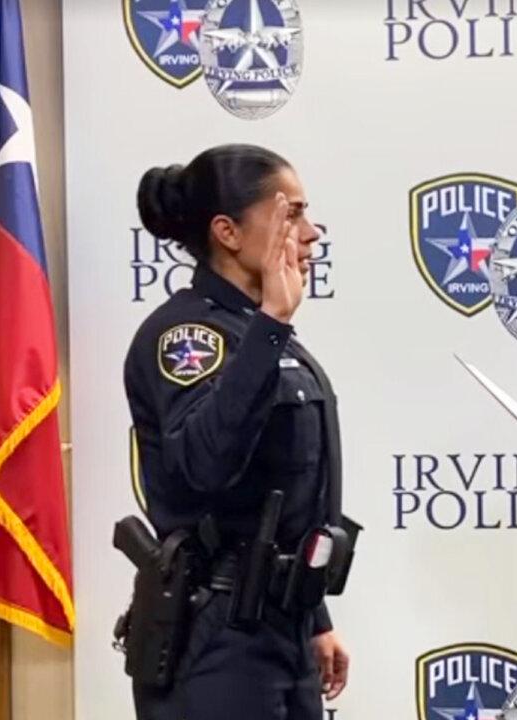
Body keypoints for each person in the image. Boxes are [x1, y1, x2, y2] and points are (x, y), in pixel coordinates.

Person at [120, 143, 350, 720]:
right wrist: (271, 325)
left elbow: (287, 494)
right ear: (227, 232)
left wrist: (315, 621)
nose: (311, 234)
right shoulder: (185, 337)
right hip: (217, 635)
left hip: (284, 626)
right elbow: (205, 465)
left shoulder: (260, 332)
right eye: (291, 215)